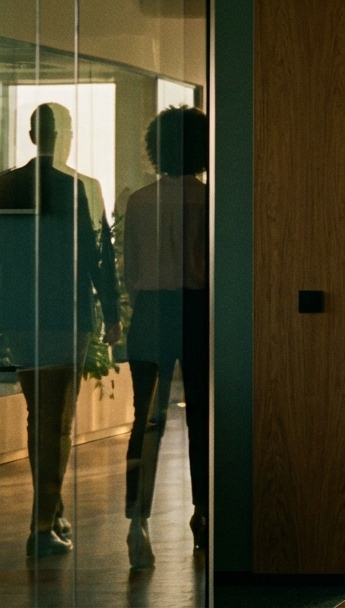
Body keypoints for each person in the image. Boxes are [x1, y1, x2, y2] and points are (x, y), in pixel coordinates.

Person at [0, 103, 122, 558]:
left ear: (33, 136)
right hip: (66, 314)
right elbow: (95, 254)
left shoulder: (6, 184)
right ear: (63, 136)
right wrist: (112, 312)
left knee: (39, 416)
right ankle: (42, 524)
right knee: (59, 422)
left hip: (20, 315)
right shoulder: (76, 187)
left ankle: (51, 508)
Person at [120, 106, 212, 569]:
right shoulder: (209, 200)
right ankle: (204, 512)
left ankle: (138, 520)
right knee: (202, 417)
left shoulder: (139, 201)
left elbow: (130, 271)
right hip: (197, 311)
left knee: (146, 419)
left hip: (151, 312)